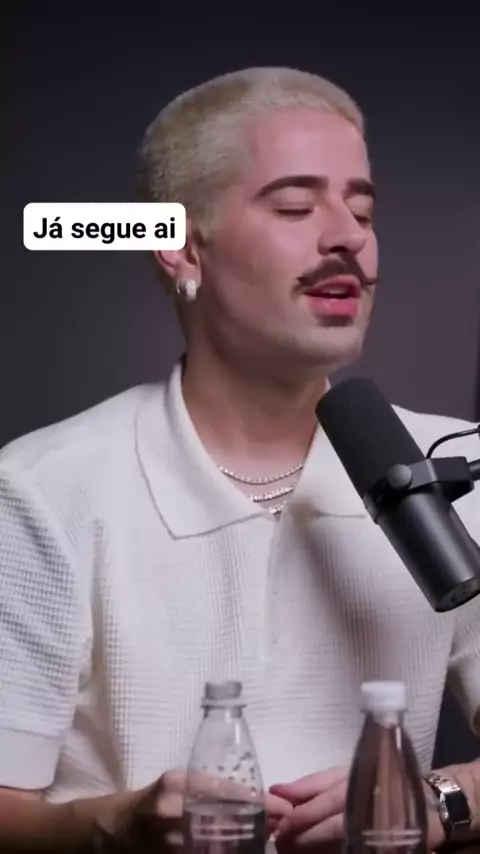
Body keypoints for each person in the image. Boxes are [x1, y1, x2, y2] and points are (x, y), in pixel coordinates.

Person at [1, 65, 479, 852]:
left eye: (362, 210)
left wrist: (442, 800)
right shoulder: (42, 490)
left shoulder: (452, 465)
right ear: (182, 249)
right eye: (295, 206)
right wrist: (114, 824)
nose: (349, 236)